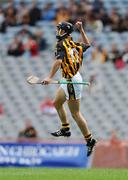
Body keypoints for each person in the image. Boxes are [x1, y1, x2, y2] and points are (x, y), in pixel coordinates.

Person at [42, 21, 97, 156]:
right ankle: (65, 128)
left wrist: (49, 77)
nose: (58, 31)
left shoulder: (61, 44)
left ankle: (89, 140)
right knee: (56, 102)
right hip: (71, 78)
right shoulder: (73, 43)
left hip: (71, 80)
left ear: (64, 31)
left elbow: (59, 61)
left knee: (75, 113)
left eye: (59, 29)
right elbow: (88, 44)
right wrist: (82, 29)